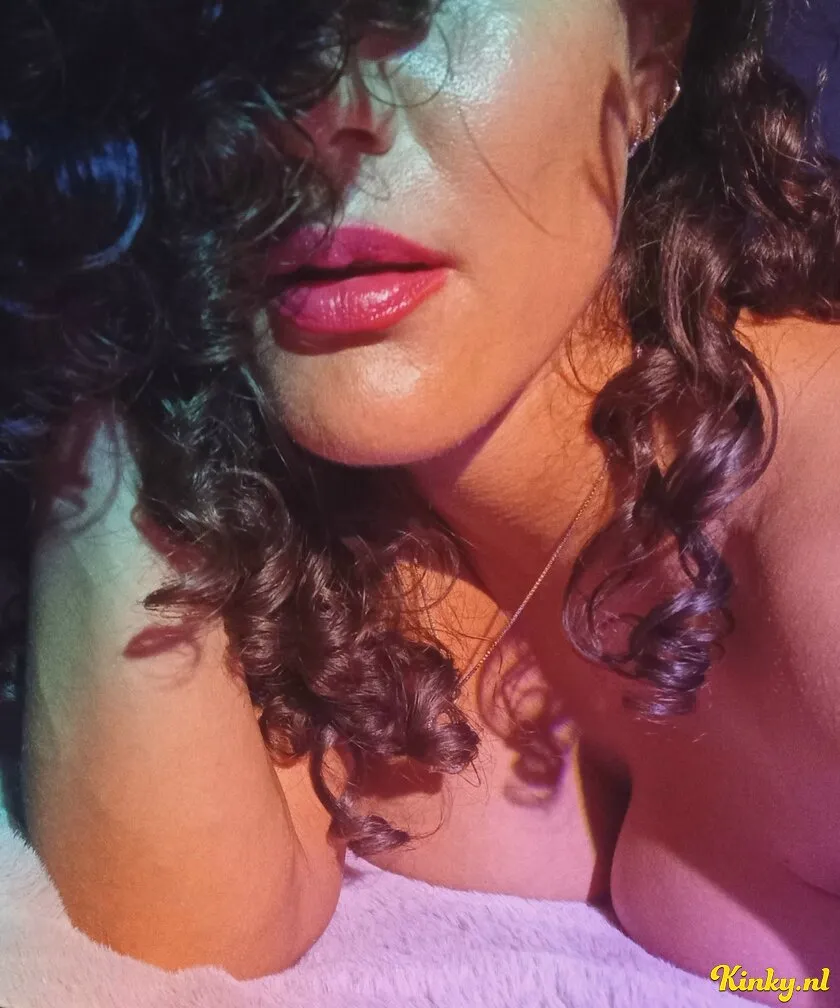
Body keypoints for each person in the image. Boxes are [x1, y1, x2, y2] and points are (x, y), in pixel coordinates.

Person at [3, 0, 840, 1002]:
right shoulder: (309, 546)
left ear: (654, 48)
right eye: (244, 31)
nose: (316, 115)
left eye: (429, 8)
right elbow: (179, 933)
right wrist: (100, 279)